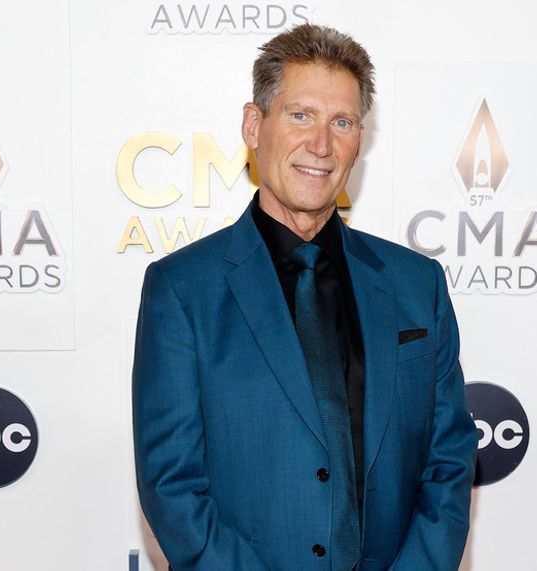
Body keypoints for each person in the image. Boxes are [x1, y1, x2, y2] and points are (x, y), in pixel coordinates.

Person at [132, 23, 476, 571]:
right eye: (300, 116)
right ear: (254, 124)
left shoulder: (417, 285)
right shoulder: (181, 290)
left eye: (341, 122)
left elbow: (449, 462)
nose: (321, 144)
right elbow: (172, 485)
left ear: (359, 141)